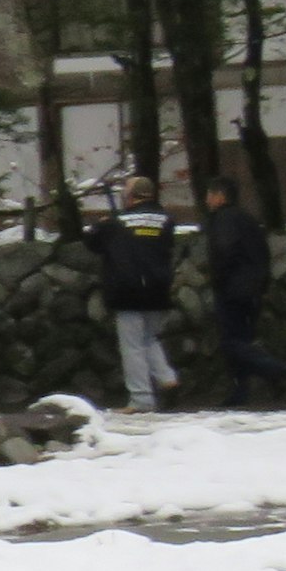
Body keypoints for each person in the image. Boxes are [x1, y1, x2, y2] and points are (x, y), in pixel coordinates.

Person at [85, 174, 182, 410]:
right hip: (158, 288)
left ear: (130, 196)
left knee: (132, 346)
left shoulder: (117, 223)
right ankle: (168, 379)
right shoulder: (166, 221)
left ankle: (140, 398)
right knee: (150, 338)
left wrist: (102, 224)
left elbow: (92, 241)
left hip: (128, 289)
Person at [202, 174, 286, 401]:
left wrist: (217, 278)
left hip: (233, 289)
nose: (207, 200)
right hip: (253, 288)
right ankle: (244, 390)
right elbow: (264, 254)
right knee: (243, 341)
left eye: (209, 194)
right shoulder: (248, 220)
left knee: (231, 343)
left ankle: (276, 369)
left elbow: (226, 252)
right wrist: (262, 284)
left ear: (219, 196)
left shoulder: (223, 220)